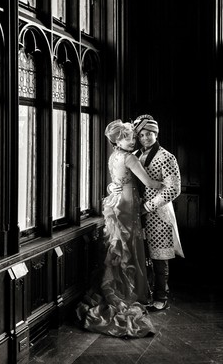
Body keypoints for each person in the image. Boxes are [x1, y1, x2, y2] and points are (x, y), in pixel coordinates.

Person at [76, 119, 163, 338]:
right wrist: (168, 184)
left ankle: (122, 285)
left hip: (116, 201)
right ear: (118, 140)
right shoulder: (130, 157)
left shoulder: (114, 156)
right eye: (128, 137)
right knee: (128, 245)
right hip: (128, 202)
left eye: (133, 136)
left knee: (119, 243)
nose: (133, 139)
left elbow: (115, 180)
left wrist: (110, 187)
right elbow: (149, 183)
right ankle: (127, 289)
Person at [132, 114, 183, 312]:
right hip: (135, 213)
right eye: (142, 134)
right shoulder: (135, 155)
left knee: (159, 257)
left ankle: (161, 296)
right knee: (140, 255)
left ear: (156, 134)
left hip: (158, 214)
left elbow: (173, 189)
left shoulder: (166, 157)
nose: (146, 138)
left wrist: (147, 207)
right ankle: (144, 295)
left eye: (150, 134)